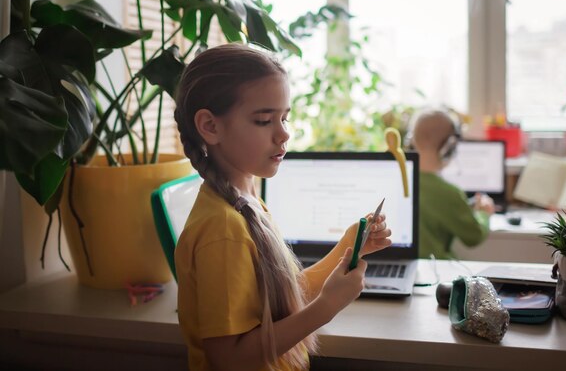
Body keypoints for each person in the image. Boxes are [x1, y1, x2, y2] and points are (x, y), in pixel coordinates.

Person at [173, 43, 392, 371]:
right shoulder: (223, 230)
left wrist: (348, 247)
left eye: (285, 118)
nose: (284, 134)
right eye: (264, 120)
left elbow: (282, 299)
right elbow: (229, 358)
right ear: (210, 126)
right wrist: (326, 307)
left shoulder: (247, 203)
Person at [411, 109, 494, 259]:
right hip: (436, 269)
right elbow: (473, 237)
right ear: (450, 145)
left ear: (412, 140)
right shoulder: (449, 193)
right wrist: (484, 213)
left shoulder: (402, 180)